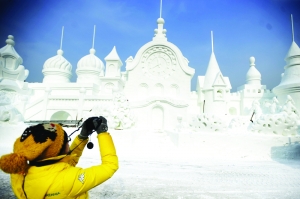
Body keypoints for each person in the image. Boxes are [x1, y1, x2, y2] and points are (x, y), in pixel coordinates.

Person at [0, 116, 118, 198]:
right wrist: (103, 134)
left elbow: (63, 164)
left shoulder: (20, 172)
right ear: (59, 150)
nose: (68, 143)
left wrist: (82, 137)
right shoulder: (66, 180)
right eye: (66, 141)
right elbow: (110, 166)